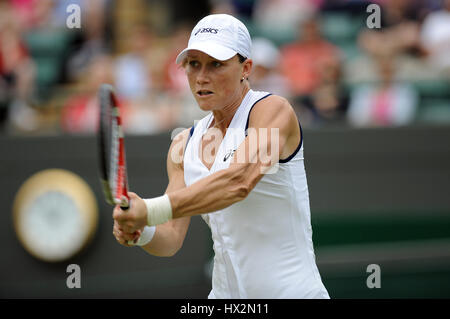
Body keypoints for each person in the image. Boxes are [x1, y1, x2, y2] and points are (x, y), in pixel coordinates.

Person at [112, 14, 330, 299]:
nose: (202, 77)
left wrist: (149, 210)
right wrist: (141, 231)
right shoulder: (182, 144)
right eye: (193, 64)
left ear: (245, 68)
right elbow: (170, 238)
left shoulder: (272, 110)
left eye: (216, 64)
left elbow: (238, 182)